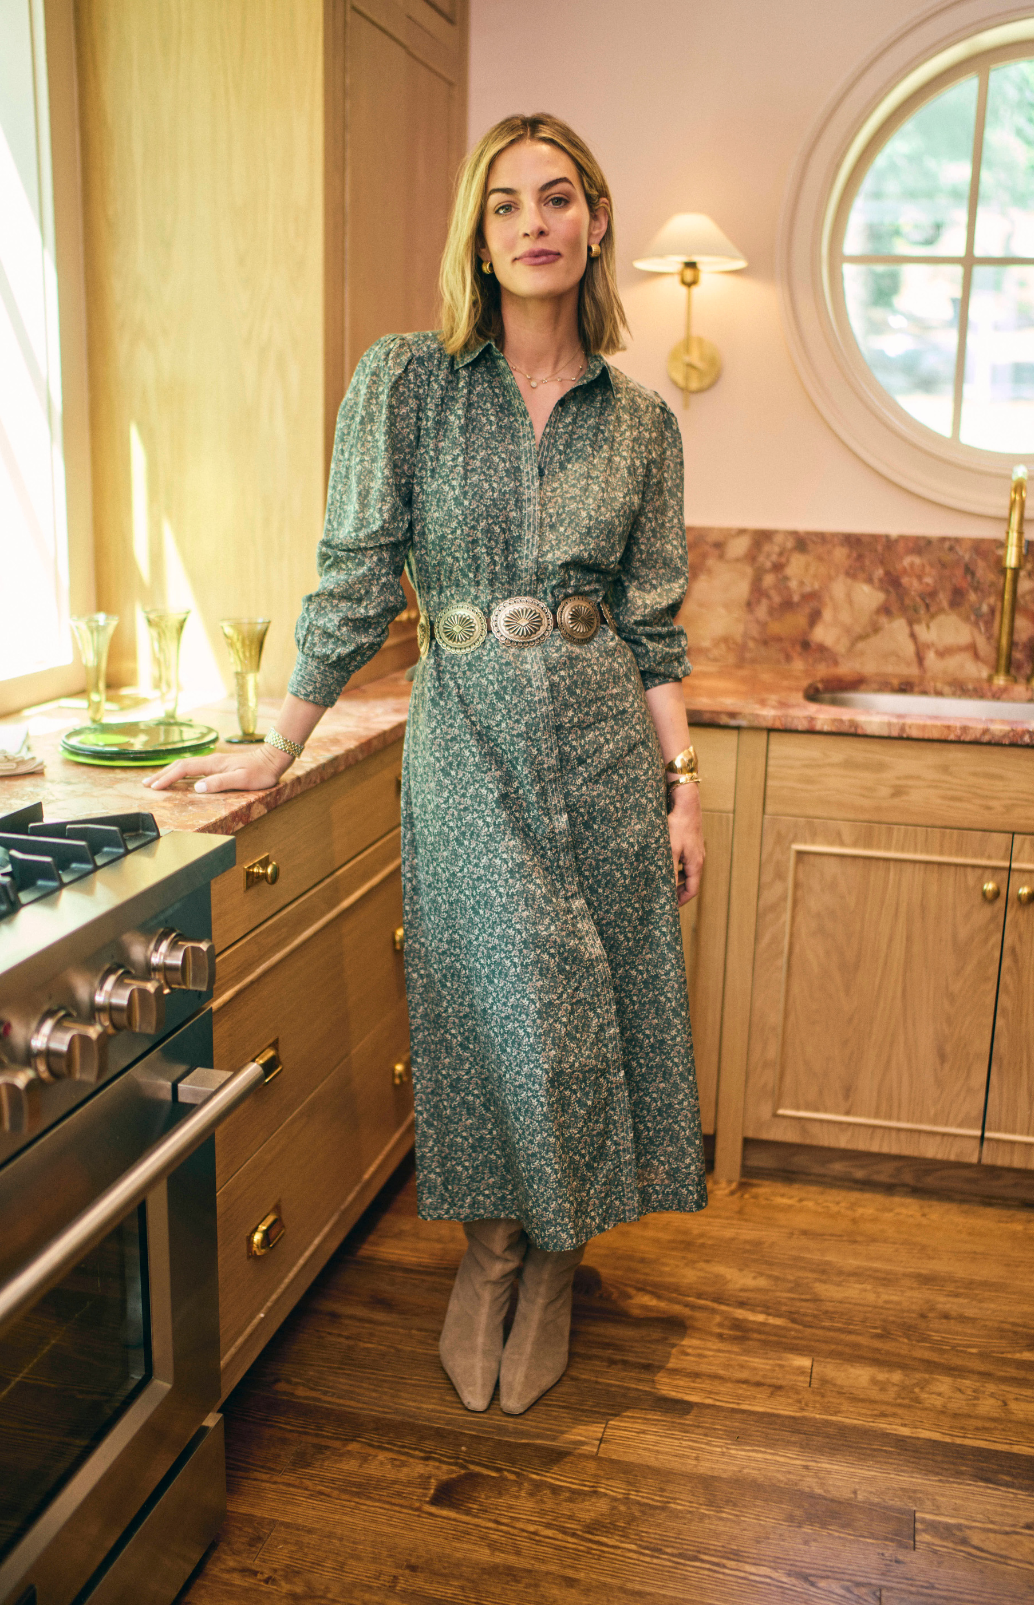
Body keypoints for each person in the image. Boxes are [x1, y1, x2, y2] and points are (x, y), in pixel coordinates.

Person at [148, 113, 708, 1415]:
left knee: (588, 1014)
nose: (533, 222)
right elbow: (351, 582)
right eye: (504, 203)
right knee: (493, 1008)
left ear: (596, 220)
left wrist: (685, 788)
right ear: (478, 232)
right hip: (467, 748)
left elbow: (656, 622)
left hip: (609, 752)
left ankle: (554, 1260)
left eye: (556, 197)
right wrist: (275, 744)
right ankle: (489, 1252)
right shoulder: (406, 381)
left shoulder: (640, 424)